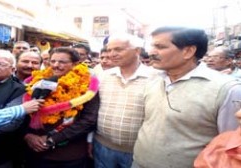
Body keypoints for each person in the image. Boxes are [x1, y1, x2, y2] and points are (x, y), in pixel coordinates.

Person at [132, 26, 241, 168]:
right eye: (152, 46)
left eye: (159, 47)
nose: (151, 52)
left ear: (188, 51)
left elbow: (229, 145)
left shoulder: (227, 89)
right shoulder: (153, 79)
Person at [23, 47, 100, 168]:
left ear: (75, 64)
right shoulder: (39, 81)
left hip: (68, 156)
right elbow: (25, 112)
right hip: (35, 152)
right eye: (52, 61)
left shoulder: (88, 86)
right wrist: (28, 135)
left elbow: (88, 121)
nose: (55, 65)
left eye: (62, 62)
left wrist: (52, 139)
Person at [93, 34, 156, 168]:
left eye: (118, 49)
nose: (112, 54)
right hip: (102, 147)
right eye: (109, 50)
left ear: (137, 51)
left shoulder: (155, 78)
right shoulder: (103, 76)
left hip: (138, 151)